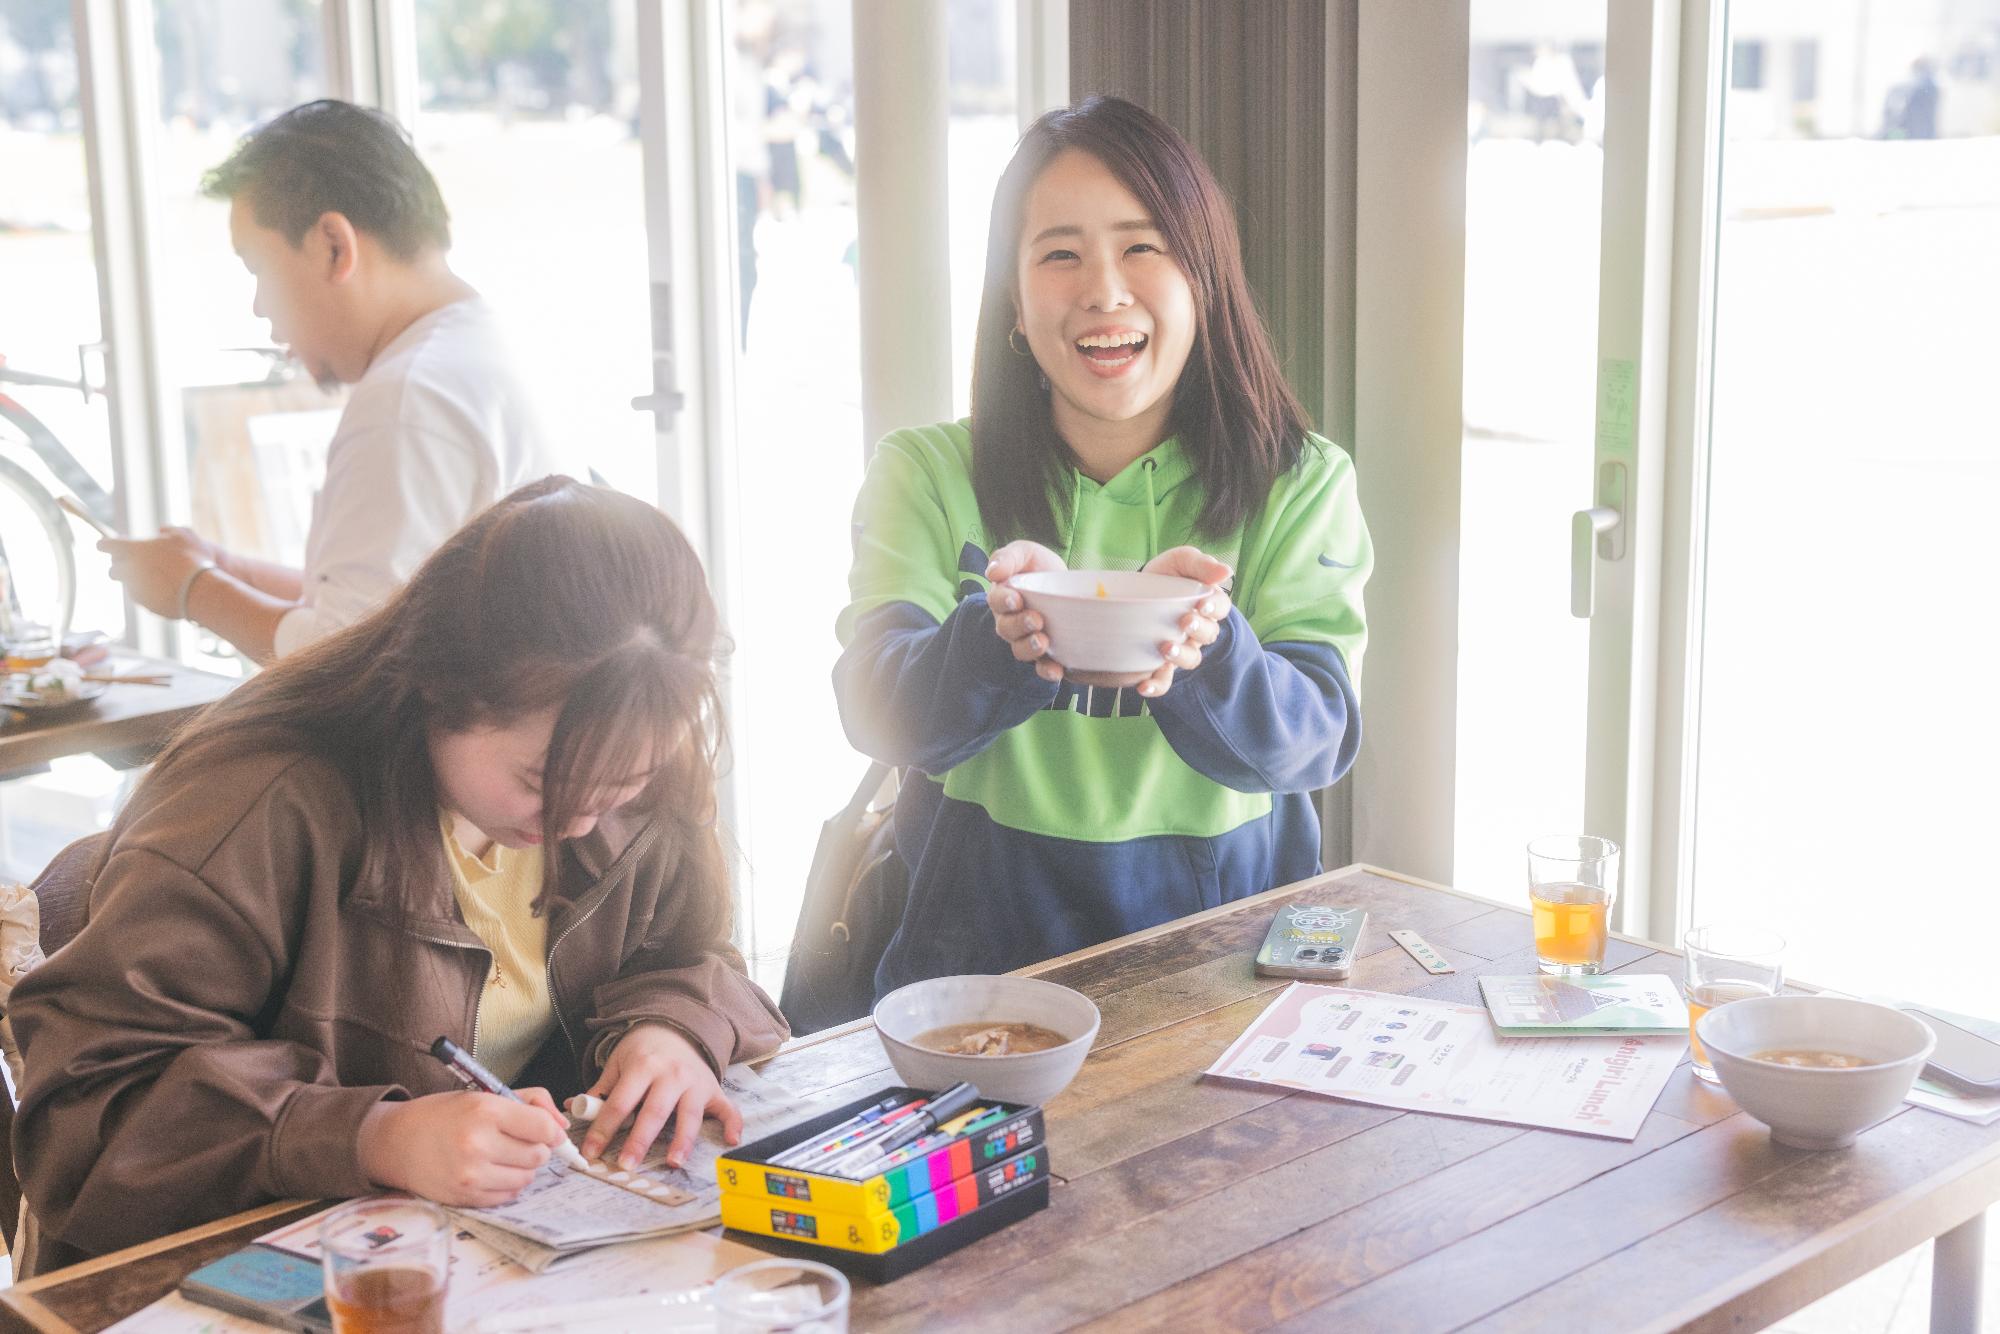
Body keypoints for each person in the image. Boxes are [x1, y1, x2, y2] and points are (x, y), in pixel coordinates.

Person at [10, 477, 788, 1261]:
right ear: (439, 688)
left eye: (624, 784)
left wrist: (674, 1028)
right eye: (538, 781)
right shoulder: (258, 806)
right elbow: (86, 1119)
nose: (579, 821)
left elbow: (695, 956)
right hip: (241, 1271)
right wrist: (374, 1136)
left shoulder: (629, 752)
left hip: (493, 1252)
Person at [833, 97, 1372, 992]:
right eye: (1059, 254)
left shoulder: (1298, 481)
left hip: (1220, 967)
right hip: (975, 974)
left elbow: (1317, 740)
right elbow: (871, 706)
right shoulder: (925, 472)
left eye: (1142, 247)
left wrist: (1209, 648)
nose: (1104, 291)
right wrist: (995, 637)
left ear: (1203, 281)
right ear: (1013, 299)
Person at [100, 99, 574, 663]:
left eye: (258, 267)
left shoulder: (408, 399)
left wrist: (192, 590)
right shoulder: (478, 345)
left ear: (334, 246)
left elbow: (349, 659)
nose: (258, 306)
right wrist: (226, 569)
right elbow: (389, 608)